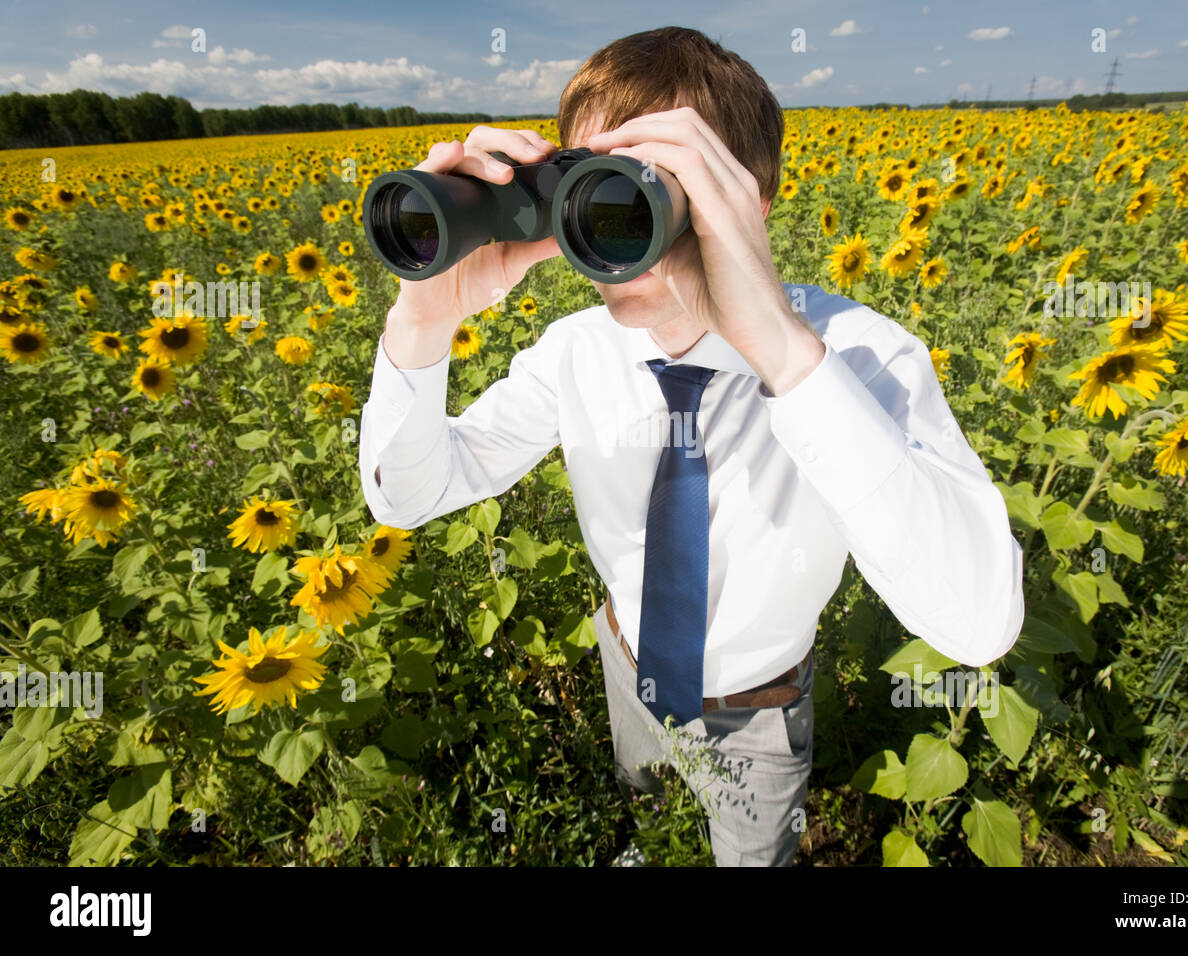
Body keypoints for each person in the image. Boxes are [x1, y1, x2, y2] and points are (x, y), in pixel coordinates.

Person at [358, 25, 1025, 866]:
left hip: (759, 708)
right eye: (588, 184)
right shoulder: (575, 350)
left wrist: (785, 353)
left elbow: (979, 624)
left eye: (643, 191)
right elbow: (408, 495)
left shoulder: (855, 356)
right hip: (626, 660)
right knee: (645, 812)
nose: (606, 226)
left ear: (753, 205)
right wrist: (425, 319)